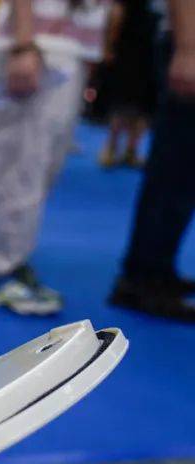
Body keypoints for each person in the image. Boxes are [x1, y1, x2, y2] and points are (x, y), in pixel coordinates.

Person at [0, 0, 109, 315]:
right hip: (40, 44)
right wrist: (24, 44)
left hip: (57, 44)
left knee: (28, 163)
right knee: (23, 164)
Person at [110, 0, 195, 321]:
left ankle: (157, 268)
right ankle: (141, 278)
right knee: (175, 170)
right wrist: (188, 49)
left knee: (183, 175)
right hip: (188, 43)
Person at [98, 0, 158, 168]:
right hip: (129, 49)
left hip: (154, 50)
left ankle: (132, 149)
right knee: (122, 101)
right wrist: (109, 45)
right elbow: (117, 11)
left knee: (145, 106)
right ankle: (111, 146)